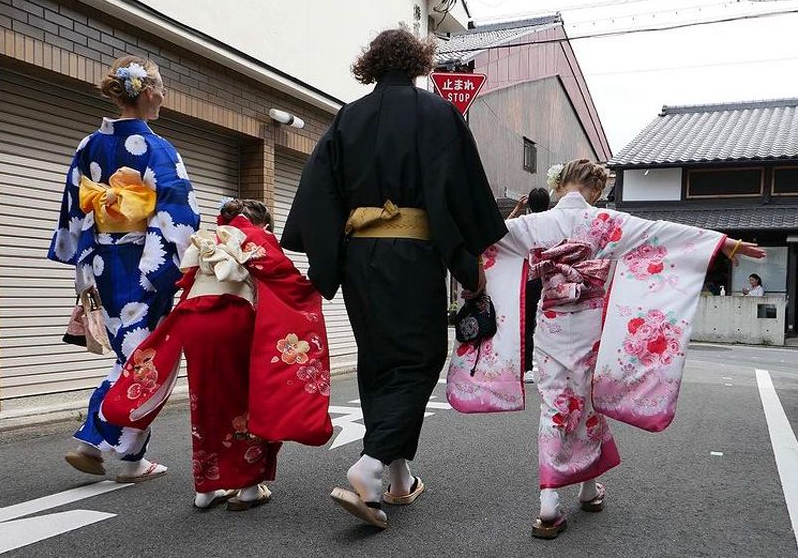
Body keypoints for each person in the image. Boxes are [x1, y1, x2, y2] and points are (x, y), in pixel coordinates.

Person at [447, 158, 765, 539]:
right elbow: (663, 235)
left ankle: (555, 497)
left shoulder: (532, 224)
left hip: (550, 324)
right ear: (596, 192)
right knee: (589, 400)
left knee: (556, 403)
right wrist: (724, 244)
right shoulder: (609, 223)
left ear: (560, 184)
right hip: (592, 326)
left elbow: (482, 235)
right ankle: (581, 489)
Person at [281, 29, 507, 528]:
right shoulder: (436, 114)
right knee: (421, 357)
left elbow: (320, 193)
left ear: (371, 63)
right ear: (419, 62)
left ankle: (399, 477)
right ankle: (369, 465)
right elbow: (457, 193)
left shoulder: (348, 117)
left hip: (361, 256)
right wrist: (468, 270)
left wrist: (327, 264)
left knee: (380, 360)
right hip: (413, 254)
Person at [100, 198, 334, 509]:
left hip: (193, 320)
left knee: (206, 400)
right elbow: (288, 279)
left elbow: (184, 282)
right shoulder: (256, 236)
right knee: (246, 399)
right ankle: (249, 488)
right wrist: (317, 286)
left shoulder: (209, 239)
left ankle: (206, 489)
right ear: (263, 224)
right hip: (232, 319)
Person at [48, 55, 199, 482]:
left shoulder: (88, 145)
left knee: (133, 353)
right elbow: (178, 213)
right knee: (145, 357)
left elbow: (73, 211)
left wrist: (80, 263)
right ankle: (93, 439)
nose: (165, 97)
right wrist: (164, 267)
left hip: (101, 259)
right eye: (162, 89)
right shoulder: (158, 148)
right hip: (141, 262)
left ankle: (132, 458)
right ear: (148, 92)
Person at [508, 188, 550, 383]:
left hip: (528, 278)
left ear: (529, 205)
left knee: (526, 323)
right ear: (548, 203)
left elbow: (500, 229)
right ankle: (551, 366)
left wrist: (517, 209)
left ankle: (526, 368)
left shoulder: (522, 224)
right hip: (552, 277)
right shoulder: (555, 221)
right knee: (552, 322)